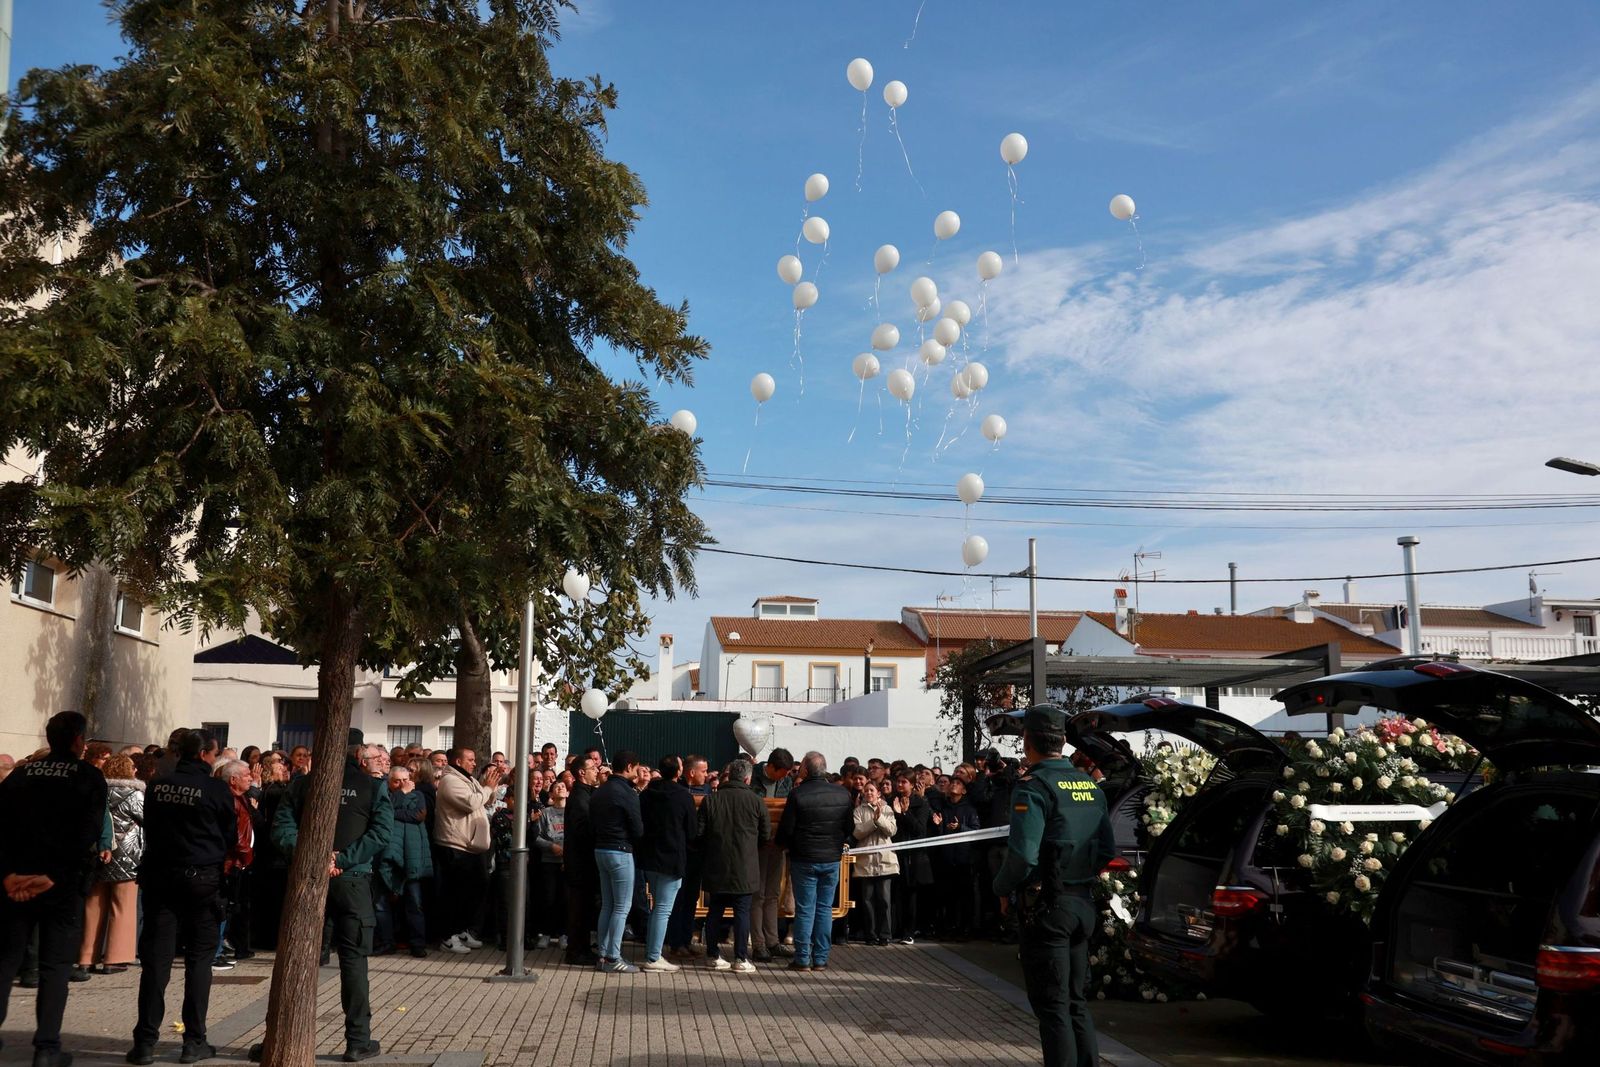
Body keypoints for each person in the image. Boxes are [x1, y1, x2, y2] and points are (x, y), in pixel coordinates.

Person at [995, 705, 1116, 1067]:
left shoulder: (1033, 787)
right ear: (1063, 741)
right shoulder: (1090, 786)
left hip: (1047, 908)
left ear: (1026, 742)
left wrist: (1001, 888)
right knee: (1075, 1002)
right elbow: (1106, 850)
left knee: (1052, 1007)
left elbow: (1023, 856)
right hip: (1082, 904)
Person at [265, 729, 394, 1063]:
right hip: (352, 882)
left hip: (309, 880)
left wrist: (316, 858)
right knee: (354, 961)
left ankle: (280, 1036)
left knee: (299, 958)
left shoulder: (303, 784)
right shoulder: (372, 787)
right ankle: (358, 1041)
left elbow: (282, 830)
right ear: (358, 755)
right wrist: (342, 860)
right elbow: (381, 833)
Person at [0, 711, 107, 1067]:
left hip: (17, 883)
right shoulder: (87, 776)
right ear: (78, 740)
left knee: (6, 960)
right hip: (59, 884)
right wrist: (54, 876)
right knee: (55, 966)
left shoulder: (21, 775)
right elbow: (88, 832)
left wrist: (8, 874)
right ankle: (47, 1047)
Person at [128, 727, 236, 1065]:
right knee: (199, 961)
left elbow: (151, 826)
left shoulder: (158, 786)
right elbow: (229, 834)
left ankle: (144, 1043)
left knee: (156, 963)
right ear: (204, 754)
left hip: (161, 878)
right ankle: (194, 1041)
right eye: (214, 754)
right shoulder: (215, 788)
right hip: (201, 880)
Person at [774, 751, 852, 972]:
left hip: (804, 858)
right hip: (831, 858)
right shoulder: (842, 794)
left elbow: (787, 829)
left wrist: (782, 845)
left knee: (805, 909)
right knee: (824, 909)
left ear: (806, 769)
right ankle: (820, 958)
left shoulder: (798, 794)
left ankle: (802, 958)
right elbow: (849, 828)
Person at [696, 759, 769, 974]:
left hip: (716, 863)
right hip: (745, 866)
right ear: (747, 779)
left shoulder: (711, 800)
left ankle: (712, 954)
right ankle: (740, 957)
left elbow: (700, 833)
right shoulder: (756, 801)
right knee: (742, 913)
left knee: (714, 910)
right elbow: (765, 835)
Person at [77, 753, 144, 978]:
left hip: (98, 852)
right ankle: (115, 958)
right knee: (122, 906)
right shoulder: (134, 793)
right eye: (132, 767)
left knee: (94, 905)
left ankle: (86, 958)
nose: (135, 770)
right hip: (127, 855)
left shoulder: (98, 790)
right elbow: (148, 819)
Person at [434, 747, 497, 953]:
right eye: (470, 759)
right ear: (458, 762)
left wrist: (491, 786)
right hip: (455, 845)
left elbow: (486, 799)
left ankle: (461, 930)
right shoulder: (450, 781)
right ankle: (447, 936)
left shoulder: (468, 779)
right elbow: (471, 803)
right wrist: (487, 788)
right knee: (454, 893)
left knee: (474, 890)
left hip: (471, 847)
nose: (474, 763)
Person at [637, 755, 697, 972]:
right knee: (662, 909)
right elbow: (692, 831)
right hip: (672, 858)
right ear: (679, 772)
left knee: (657, 907)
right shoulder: (683, 796)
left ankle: (653, 952)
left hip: (649, 856)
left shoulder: (647, 794)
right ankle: (653, 956)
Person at [589, 750, 643, 973]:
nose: (638, 772)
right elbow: (637, 828)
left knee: (608, 905)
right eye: (636, 768)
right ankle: (613, 956)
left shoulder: (600, 791)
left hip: (601, 849)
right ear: (629, 767)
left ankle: (603, 955)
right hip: (620, 850)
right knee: (621, 907)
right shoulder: (628, 793)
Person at [378, 765, 431, 958]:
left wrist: (396, 811)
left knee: (414, 903)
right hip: (390, 855)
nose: (401, 784)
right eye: (396, 781)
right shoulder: (385, 794)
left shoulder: (419, 795)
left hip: (412, 856)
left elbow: (418, 815)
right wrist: (402, 794)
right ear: (389, 782)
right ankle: (387, 942)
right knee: (384, 902)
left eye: (405, 780)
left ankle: (417, 944)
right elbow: (385, 810)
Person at [749, 747, 794, 962]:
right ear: (772, 767)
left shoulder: (786, 781)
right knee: (757, 894)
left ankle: (772, 942)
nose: (785, 778)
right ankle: (758, 944)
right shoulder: (752, 778)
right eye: (782, 773)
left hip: (777, 844)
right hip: (756, 844)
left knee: (773, 893)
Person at [212, 759, 256, 972]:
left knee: (228, 907)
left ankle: (218, 949)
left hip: (236, 862)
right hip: (230, 862)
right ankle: (215, 952)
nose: (251, 778)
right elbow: (236, 835)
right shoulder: (230, 801)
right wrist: (246, 856)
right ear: (233, 779)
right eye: (246, 775)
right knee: (221, 908)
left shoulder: (241, 799)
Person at [562, 752, 601, 966]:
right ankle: (576, 951)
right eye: (592, 768)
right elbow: (582, 829)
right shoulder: (579, 797)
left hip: (583, 861)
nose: (597, 771)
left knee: (585, 908)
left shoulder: (587, 793)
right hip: (580, 863)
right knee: (579, 908)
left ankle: (582, 947)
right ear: (581, 773)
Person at [850, 780, 899, 947]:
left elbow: (891, 830)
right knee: (867, 901)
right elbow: (858, 832)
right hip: (865, 863)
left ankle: (885, 935)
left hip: (885, 862)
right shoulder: (858, 811)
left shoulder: (887, 809)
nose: (869, 793)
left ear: (878, 793)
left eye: (872, 790)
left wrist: (880, 818)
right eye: (866, 791)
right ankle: (870, 935)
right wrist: (873, 821)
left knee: (884, 901)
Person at [889, 773, 933, 944]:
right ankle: (898, 929)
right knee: (898, 894)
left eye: (904, 782)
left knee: (911, 895)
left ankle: (910, 931)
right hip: (897, 854)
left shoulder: (920, 803)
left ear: (913, 784)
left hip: (914, 856)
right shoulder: (893, 800)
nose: (900, 785)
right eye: (898, 781)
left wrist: (905, 813)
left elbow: (919, 829)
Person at [532, 778, 569, 950]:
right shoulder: (546, 812)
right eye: (556, 787)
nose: (560, 788)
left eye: (563, 786)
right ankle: (546, 933)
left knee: (565, 899)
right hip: (549, 861)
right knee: (548, 898)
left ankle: (563, 934)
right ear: (551, 793)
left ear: (568, 792)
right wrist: (551, 846)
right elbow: (537, 837)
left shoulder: (572, 811)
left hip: (567, 862)